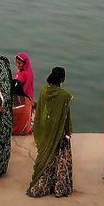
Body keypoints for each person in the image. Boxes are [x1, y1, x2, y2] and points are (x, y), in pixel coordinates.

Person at [27, 67, 74, 198]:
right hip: (58, 131)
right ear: (63, 79)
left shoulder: (43, 91)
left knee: (44, 158)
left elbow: (40, 111)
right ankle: (59, 187)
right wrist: (67, 132)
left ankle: (41, 186)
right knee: (60, 160)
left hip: (45, 131)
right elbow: (65, 116)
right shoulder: (65, 96)